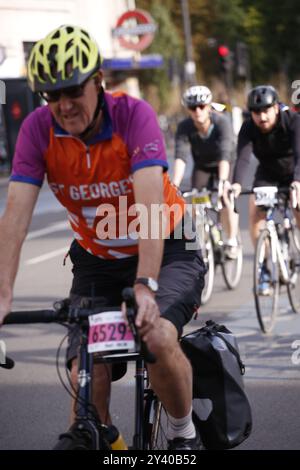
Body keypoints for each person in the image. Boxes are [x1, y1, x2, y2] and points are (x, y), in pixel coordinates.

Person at [0, 25, 206, 450]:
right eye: (50, 95)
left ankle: (184, 434)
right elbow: (15, 218)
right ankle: (109, 445)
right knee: (85, 369)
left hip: (167, 245)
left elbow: (149, 203)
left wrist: (146, 284)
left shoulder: (133, 116)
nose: (63, 104)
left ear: (98, 82)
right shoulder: (38, 131)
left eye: (72, 90)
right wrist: (2, 294)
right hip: (97, 257)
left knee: (158, 334)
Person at [231, 85, 300, 294]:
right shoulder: (248, 128)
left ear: (276, 108)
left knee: (299, 205)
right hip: (267, 174)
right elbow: (242, 158)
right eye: (256, 112)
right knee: (255, 212)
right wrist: (235, 184)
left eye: (266, 110)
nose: (261, 116)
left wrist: (297, 181)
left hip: (293, 172)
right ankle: (265, 268)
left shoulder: (293, 121)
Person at [173, 85, 239, 259]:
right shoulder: (185, 127)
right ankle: (205, 240)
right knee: (195, 201)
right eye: (193, 108)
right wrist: (175, 185)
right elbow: (181, 156)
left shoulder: (221, 122)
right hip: (202, 167)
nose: (197, 111)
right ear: (188, 109)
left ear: (209, 106)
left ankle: (231, 239)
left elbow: (225, 153)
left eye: (202, 106)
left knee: (225, 198)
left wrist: (223, 182)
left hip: (223, 164)